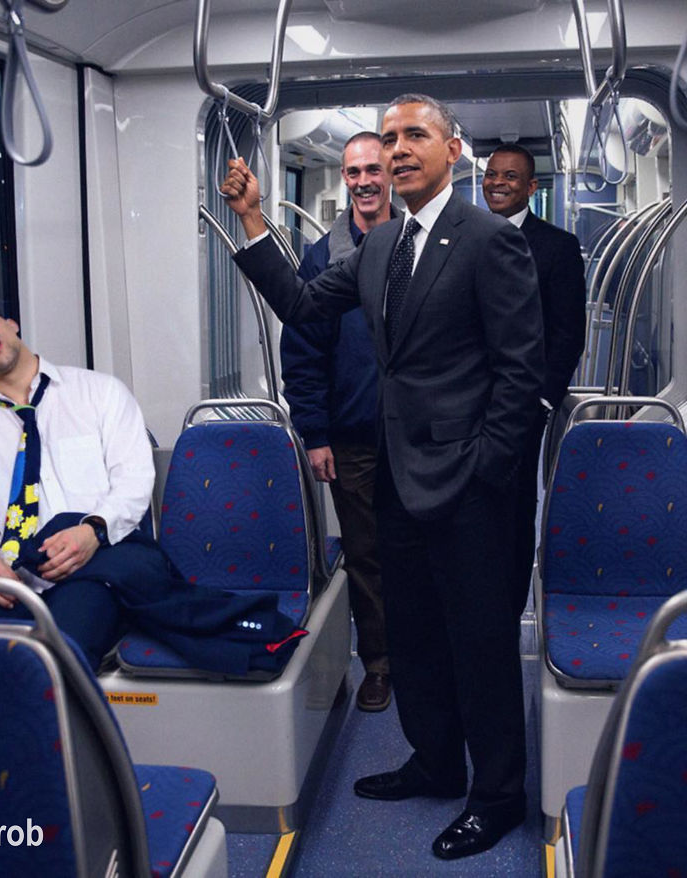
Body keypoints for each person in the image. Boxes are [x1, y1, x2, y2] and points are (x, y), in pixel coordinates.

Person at [221, 94, 544, 861]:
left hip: (467, 488)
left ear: (453, 149)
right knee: (414, 636)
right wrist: (254, 221)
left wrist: (484, 475)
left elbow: (519, 374)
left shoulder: (489, 240)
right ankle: (434, 764)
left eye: (415, 136)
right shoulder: (380, 246)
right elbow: (302, 306)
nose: (399, 150)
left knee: (482, 644)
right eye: (390, 137)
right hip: (397, 479)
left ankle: (495, 795)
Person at [0, 294, 307, 673]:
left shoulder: (99, 393)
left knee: (54, 659)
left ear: (11, 324)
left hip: (98, 562)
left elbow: (133, 482)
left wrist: (92, 531)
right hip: (15, 574)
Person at [280, 131, 395, 711]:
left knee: (425, 550)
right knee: (367, 555)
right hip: (352, 436)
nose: (364, 181)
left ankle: (427, 655)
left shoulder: (420, 244)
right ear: (345, 180)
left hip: (421, 438)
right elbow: (302, 354)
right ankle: (378, 662)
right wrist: (316, 433)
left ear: (390, 173)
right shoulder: (324, 256)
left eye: (374, 169)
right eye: (353, 172)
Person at [482, 143, 586, 621]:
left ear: (530, 187)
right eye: (491, 175)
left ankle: (507, 610)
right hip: (463, 405)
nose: (497, 183)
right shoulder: (467, 238)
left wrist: (544, 402)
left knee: (515, 509)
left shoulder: (557, 248)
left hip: (524, 407)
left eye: (509, 177)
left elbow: (568, 335)